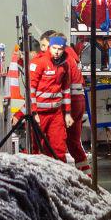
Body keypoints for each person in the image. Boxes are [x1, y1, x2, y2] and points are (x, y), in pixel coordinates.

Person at [42, 31, 90, 176]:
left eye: (45, 45)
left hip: (69, 102)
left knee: (57, 141)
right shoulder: (71, 55)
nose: (44, 49)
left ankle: (60, 176)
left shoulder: (63, 58)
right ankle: (86, 175)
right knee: (73, 142)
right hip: (78, 100)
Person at [29, 36, 74, 162]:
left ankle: (60, 177)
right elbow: (31, 89)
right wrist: (34, 112)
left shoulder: (64, 65)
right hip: (40, 113)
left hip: (56, 113)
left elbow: (66, 89)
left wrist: (68, 113)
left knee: (59, 147)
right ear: (49, 48)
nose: (57, 51)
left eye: (60, 49)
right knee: (36, 147)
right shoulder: (39, 62)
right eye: (54, 48)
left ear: (64, 49)